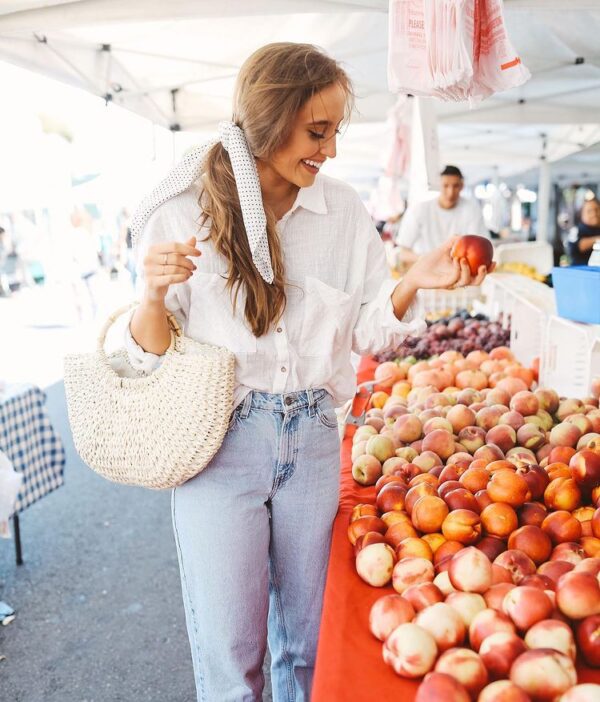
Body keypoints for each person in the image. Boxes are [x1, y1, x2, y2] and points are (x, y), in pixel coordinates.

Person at [125, 43, 490, 702]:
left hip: (316, 437)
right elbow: (148, 357)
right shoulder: (182, 210)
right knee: (232, 658)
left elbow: (370, 332)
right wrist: (150, 297)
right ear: (268, 122)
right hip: (219, 445)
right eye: (316, 131)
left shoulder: (342, 211)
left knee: (309, 648)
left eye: (334, 132)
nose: (328, 149)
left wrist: (413, 281)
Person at [395, 165, 488, 264]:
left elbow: (481, 246)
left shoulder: (472, 209)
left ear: (462, 186)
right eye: (446, 185)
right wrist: (427, 260)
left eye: (455, 186)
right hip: (426, 268)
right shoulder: (419, 210)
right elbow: (403, 251)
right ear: (439, 185)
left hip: (461, 268)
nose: (450, 192)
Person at [568, 198, 600, 265]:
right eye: (589, 211)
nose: (594, 214)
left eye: (597, 210)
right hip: (581, 270)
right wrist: (597, 239)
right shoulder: (577, 230)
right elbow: (576, 248)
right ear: (582, 214)